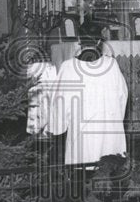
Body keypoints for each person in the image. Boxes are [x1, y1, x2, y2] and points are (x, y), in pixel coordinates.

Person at [48, 22, 128, 166]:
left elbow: (60, 103)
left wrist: (57, 127)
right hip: (109, 134)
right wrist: (114, 120)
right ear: (99, 40)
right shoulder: (112, 65)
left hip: (82, 137)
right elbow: (122, 98)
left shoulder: (68, 67)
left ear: (79, 40)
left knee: (84, 174)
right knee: (110, 175)